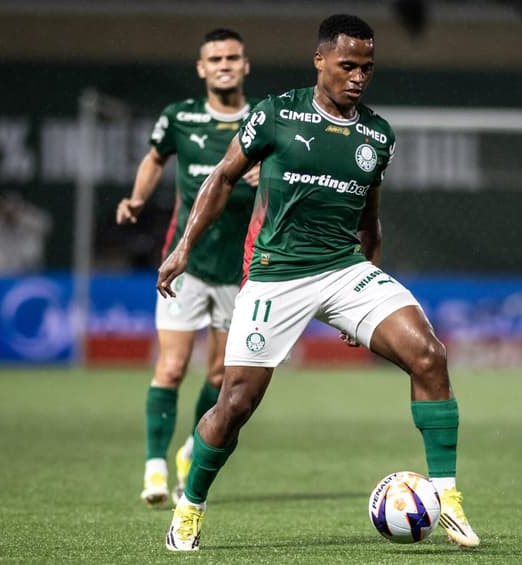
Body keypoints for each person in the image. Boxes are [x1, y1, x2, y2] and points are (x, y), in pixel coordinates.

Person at [157, 14, 480, 550]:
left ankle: (447, 498)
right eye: (348, 65)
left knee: (429, 354)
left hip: (345, 269)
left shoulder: (377, 135)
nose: (358, 76)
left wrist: (368, 292)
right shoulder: (276, 115)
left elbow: (370, 220)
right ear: (321, 61)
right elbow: (222, 178)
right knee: (235, 403)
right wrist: (183, 249)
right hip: (276, 277)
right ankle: (189, 508)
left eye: (367, 68)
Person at [116, 28, 259, 508]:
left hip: (240, 271)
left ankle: (191, 450)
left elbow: (289, 175)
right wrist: (137, 199)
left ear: (245, 65)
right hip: (187, 263)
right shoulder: (179, 116)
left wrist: (267, 175)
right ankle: (155, 467)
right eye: (214, 58)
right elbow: (154, 159)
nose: (223, 64)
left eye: (232, 57)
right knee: (173, 366)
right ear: (201, 68)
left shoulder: (264, 121)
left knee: (220, 375)